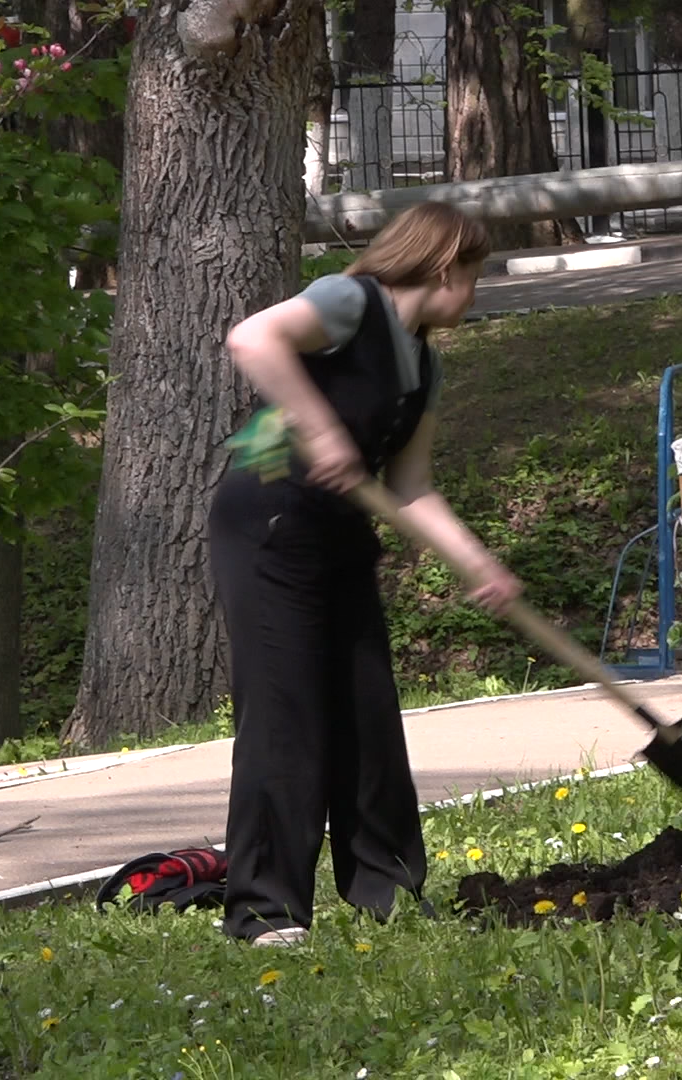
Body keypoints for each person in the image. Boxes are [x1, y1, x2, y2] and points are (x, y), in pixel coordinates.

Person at [209, 201, 523, 946]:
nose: (476, 295)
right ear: (445, 267)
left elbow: (410, 484)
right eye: (475, 276)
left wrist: (476, 561)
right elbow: (252, 338)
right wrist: (319, 429)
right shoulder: (350, 301)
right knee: (287, 715)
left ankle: (385, 890)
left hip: (339, 534)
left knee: (366, 710)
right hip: (268, 522)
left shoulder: (424, 365)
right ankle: (265, 911)